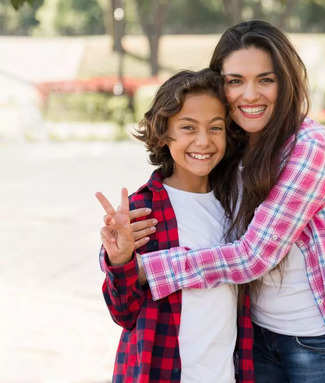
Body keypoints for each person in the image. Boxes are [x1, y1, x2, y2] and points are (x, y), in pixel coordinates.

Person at [103, 20, 325, 382]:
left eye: (266, 80)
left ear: (285, 81)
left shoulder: (310, 148)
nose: (250, 94)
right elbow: (124, 296)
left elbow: (253, 255)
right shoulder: (232, 152)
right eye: (235, 81)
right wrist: (119, 260)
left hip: (313, 342)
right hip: (254, 338)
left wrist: (146, 268)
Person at [95, 68, 253, 383]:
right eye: (188, 127)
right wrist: (119, 259)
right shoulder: (143, 211)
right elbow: (123, 312)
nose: (204, 141)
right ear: (164, 133)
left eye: (215, 127)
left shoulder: (235, 206)